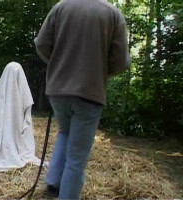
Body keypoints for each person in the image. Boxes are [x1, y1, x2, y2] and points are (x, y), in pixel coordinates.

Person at [34, 0, 131, 199]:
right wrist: (101, 73)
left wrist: (58, 64)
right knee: (77, 157)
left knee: (65, 132)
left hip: (58, 90)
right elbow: (121, 61)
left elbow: (41, 44)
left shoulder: (61, 7)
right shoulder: (113, 14)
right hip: (90, 91)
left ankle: (53, 183)